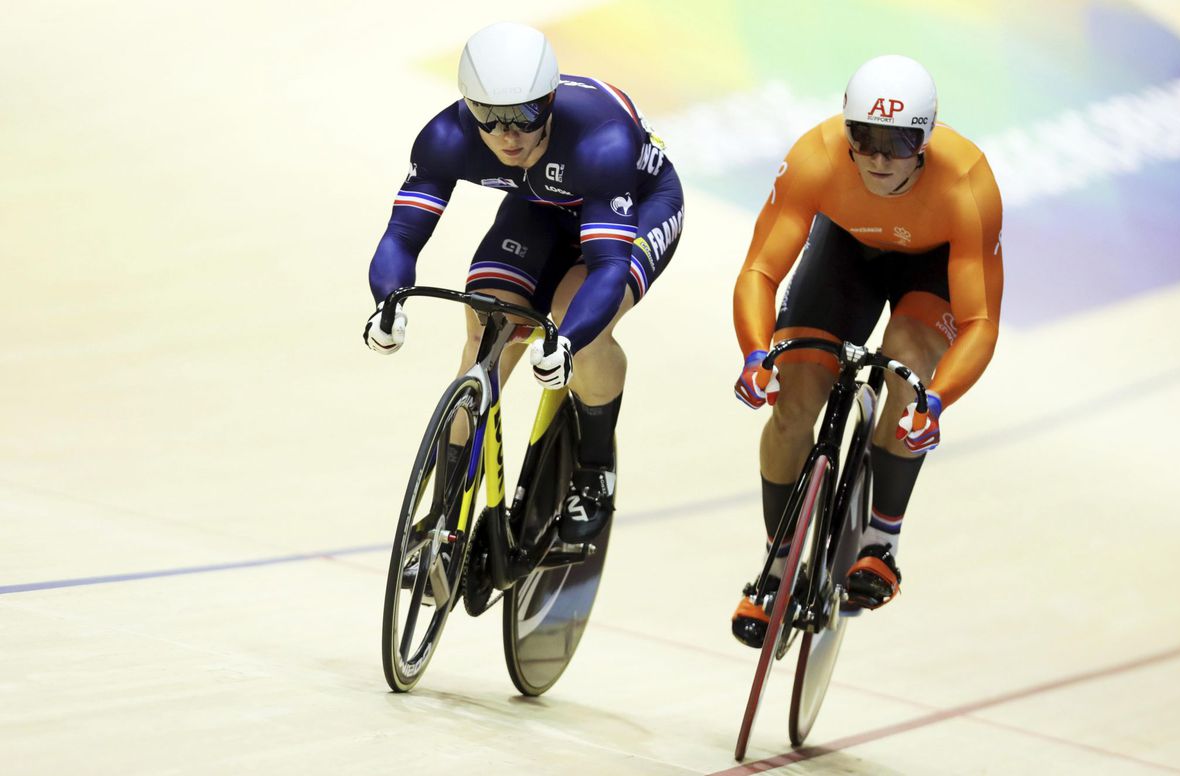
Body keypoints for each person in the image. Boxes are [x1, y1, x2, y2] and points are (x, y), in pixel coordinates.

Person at [363, 22, 684, 543]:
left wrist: (568, 339)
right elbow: (402, 235)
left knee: (573, 314)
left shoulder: (602, 138)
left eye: (526, 115)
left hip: (636, 206)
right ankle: (447, 511)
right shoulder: (446, 137)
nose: (508, 136)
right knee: (488, 324)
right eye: (489, 119)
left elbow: (606, 266)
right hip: (541, 208)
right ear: (468, 106)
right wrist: (388, 301)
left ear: (551, 100)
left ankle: (596, 466)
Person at [729, 55, 1003, 647]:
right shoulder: (815, 157)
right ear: (847, 130)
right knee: (794, 403)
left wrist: (939, 400)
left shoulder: (967, 182)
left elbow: (980, 321)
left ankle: (882, 541)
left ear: (926, 140)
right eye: (866, 140)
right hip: (845, 253)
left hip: (930, 270)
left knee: (908, 366)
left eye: (899, 144)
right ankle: (778, 567)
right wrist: (755, 354)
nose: (880, 159)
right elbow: (759, 270)